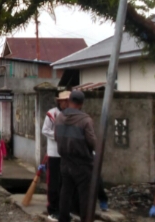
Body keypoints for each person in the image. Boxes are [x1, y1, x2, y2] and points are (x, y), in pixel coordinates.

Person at [54, 90, 96, 222]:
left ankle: (63, 219)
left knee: (65, 192)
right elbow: (92, 141)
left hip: (65, 161)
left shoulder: (59, 117)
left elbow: (56, 137)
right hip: (82, 163)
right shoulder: (85, 120)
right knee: (85, 195)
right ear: (82, 103)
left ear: (69, 101)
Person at [42, 91, 71, 221]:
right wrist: (58, 136)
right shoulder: (52, 113)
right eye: (65, 100)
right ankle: (52, 209)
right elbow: (45, 130)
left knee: (65, 183)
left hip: (67, 154)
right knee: (53, 183)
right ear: (59, 101)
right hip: (54, 153)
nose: (67, 103)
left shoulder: (71, 114)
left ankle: (64, 209)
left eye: (68, 101)